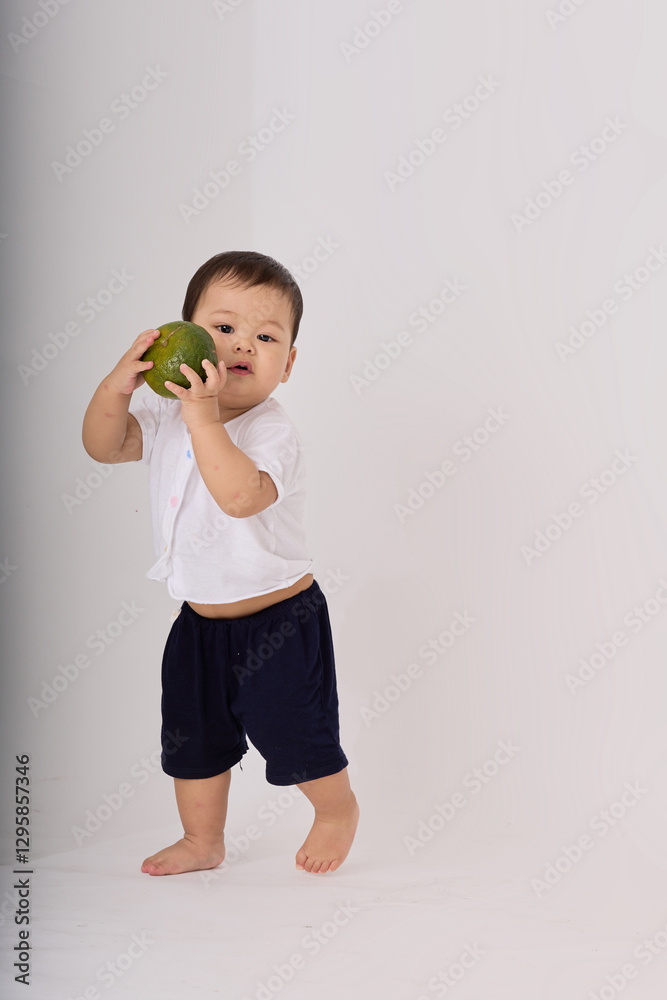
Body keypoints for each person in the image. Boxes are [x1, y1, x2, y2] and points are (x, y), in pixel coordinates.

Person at [82, 250, 359, 875]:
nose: (242, 345)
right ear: (181, 339)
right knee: (192, 738)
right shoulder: (163, 412)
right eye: (224, 328)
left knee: (297, 734)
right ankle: (203, 841)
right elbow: (106, 445)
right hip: (198, 621)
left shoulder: (271, 431)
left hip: (279, 621)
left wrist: (202, 416)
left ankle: (337, 810)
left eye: (266, 337)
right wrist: (116, 385)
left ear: (286, 365)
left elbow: (239, 497)